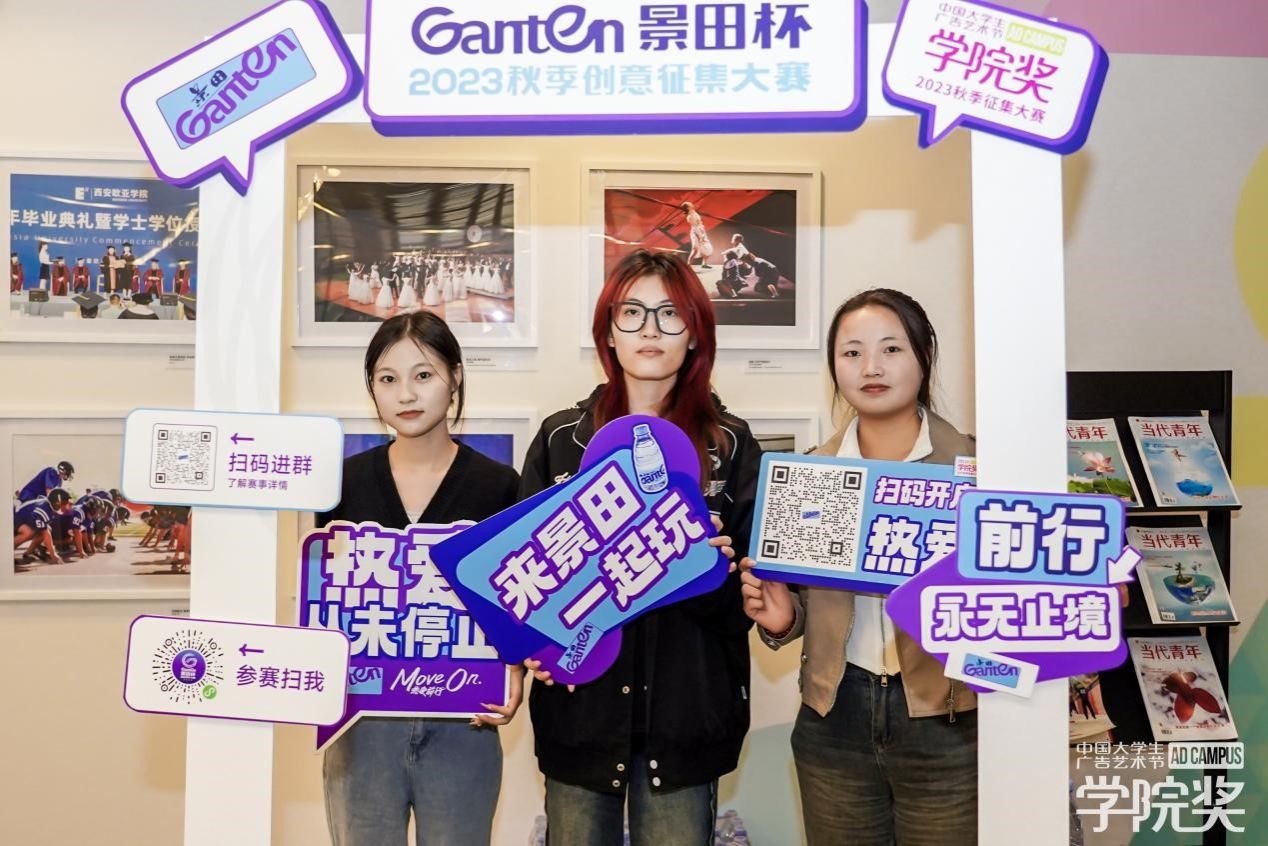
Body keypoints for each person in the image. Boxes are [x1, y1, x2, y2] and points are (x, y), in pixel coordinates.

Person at [521, 249, 761, 846]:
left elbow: (748, 608)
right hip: (580, 715)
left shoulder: (730, 444)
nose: (650, 329)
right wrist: (534, 645)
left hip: (686, 720)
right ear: (608, 331)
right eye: (632, 313)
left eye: (670, 314)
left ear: (695, 334)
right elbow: (522, 580)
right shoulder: (561, 439)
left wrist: (699, 567)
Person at [739, 288, 978, 846]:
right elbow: (801, 608)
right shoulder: (810, 474)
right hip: (833, 719)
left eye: (891, 349)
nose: (871, 367)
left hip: (950, 719)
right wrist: (782, 620)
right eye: (852, 353)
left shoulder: (977, 470)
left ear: (924, 356)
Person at [318, 311, 523, 846]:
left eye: (424, 375)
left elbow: (516, 599)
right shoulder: (339, 485)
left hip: (464, 716)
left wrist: (514, 669)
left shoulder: (500, 486)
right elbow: (322, 596)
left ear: (455, 377)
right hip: (360, 721)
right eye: (387, 379)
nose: (406, 394)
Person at [14, 489, 72, 566]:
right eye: (64, 503)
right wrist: (53, 554)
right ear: (57, 502)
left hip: (18, 518)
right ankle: (6, 553)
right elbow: (45, 533)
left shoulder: (47, 505)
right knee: (28, 531)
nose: (66, 506)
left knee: (45, 529)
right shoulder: (44, 509)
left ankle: (29, 553)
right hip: (11, 519)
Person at [679, 202, 713, 270]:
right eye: (690, 204)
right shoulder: (690, 216)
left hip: (701, 231)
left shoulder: (693, 212)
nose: (692, 205)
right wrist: (700, 236)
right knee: (695, 249)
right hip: (696, 232)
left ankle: (704, 264)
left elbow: (699, 223)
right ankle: (688, 265)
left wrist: (702, 233)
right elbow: (696, 227)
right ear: (688, 207)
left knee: (706, 247)